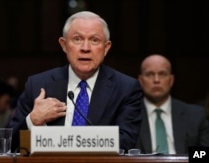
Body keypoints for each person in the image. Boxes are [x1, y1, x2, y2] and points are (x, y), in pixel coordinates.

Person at [8, 11, 143, 152]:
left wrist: (71, 144)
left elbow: (125, 143)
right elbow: (9, 144)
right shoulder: (37, 85)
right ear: (64, 45)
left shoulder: (126, 88)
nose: (85, 48)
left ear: (106, 48)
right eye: (77, 39)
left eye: (94, 40)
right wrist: (33, 120)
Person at [136, 54, 209, 154]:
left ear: (171, 80)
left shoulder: (195, 115)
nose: (156, 80)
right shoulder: (127, 116)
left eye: (162, 74)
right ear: (141, 81)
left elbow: (203, 155)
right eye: (149, 74)